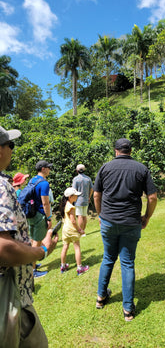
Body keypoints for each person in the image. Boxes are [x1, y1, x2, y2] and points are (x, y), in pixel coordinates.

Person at [0, 125, 58, 347]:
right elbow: (3, 248)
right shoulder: (1, 186)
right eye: (10, 145)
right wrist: (41, 251)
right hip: (10, 297)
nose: (12, 150)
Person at [93, 138, 157, 321]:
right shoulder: (141, 169)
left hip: (108, 221)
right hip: (131, 222)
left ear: (115, 151)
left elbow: (96, 194)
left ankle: (101, 297)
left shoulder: (105, 168)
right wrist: (147, 216)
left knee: (108, 258)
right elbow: (152, 197)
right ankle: (128, 309)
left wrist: (100, 214)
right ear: (130, 150)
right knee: (127, 263)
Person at [27, 160, 53, 278]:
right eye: (48, 167)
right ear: (43, 168)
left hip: (30, 214)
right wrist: (49, 218)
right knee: (37, 242)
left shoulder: (32, 180)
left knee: (32, 239)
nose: (49, 170)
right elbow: (45, 203)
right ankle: (32, 271)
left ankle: (32, 264)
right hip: (39, 215)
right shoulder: (44, 183)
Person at [60, 187, 89, 275]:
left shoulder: (64, 205)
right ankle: (80, 268)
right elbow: (73, 221)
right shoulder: (71, 207)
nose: (77, 197)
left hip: (65, 230)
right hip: (71, 230)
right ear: (70, 197)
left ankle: (63, 266)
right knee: (77, 248)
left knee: (65, 247)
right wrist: (79, 230)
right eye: (75, 195)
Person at [72, 164, 93, 231]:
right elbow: (92, 189)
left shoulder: (76, 179)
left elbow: (74, 190)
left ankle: (80, 231)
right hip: (86, 199)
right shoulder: (88, 178)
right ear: (84, 170)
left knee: (79, 216)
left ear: (77, 170)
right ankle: (83, 231)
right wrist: (89, 197)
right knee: (84, 215)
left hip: (78, 200)